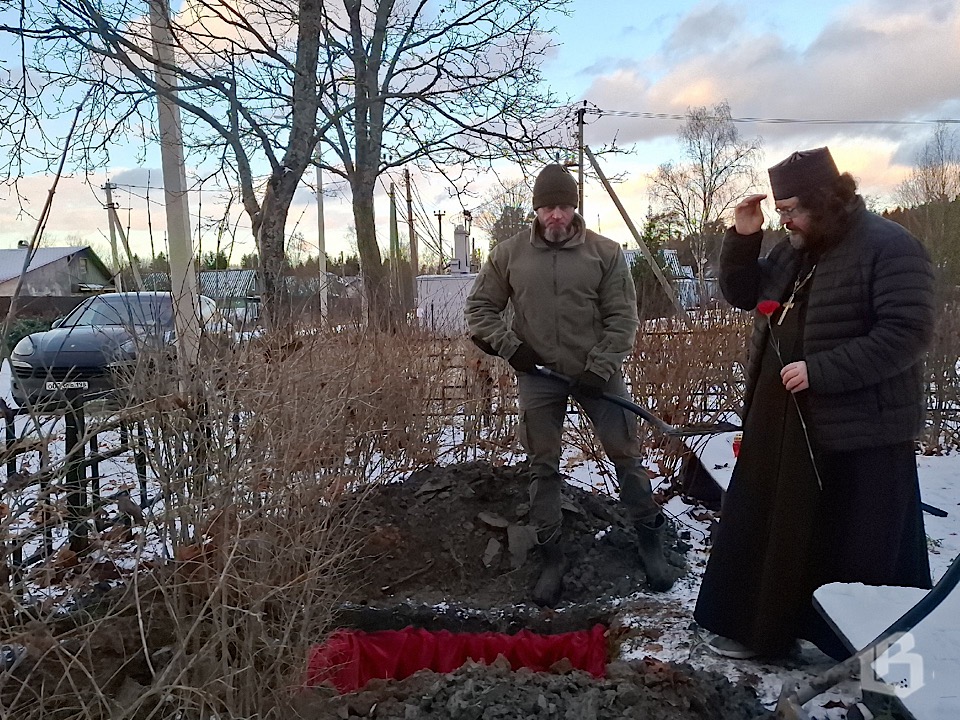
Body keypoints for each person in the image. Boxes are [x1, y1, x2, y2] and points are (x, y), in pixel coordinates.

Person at [694, 147, 935, 660]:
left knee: (861, 541)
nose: (787, 220)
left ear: (829, 200)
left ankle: (868, 657)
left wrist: (821, 372)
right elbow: (743, 293)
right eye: (781, 211)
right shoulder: (792, 249)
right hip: (783, 422)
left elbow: (907, 334)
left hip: (861, 430)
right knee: (777, 532)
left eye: (793, 209)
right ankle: (764, 633)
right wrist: (743, 236)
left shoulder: (891, 247)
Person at [464, 163, 674, 608]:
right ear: (536, 209)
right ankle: (551, 555)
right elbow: (480, 309)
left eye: (563, 206)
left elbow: (623, 318)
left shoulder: (605, 252)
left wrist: (600, 368)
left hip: (596, 374)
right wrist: (510, 347)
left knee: (626, 456)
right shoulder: (509, 254)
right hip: (538, 376)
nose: (555, 215)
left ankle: (649, 539)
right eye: (547, 207)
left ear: (574, 208)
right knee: (543, 464)